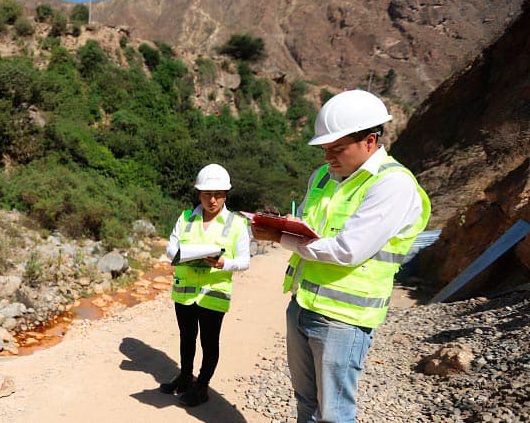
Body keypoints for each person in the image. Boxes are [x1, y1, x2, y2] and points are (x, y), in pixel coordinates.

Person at [251, 89, 430, 422]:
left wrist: (278, 235)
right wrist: (279, 225)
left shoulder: (392, 185)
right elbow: (305, 224)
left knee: (334, 413)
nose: (328, 157)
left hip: (344, 319)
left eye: (337, 149)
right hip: (302, 305)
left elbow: (348, 250)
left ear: (370, 141)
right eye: (324, 149)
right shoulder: (322, 177)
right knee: (306, 402)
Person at [159, 163, 251, 406]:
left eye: (219, 194)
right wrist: (177, 254)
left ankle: (202, 385)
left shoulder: (237, 224)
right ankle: (185, 377)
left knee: (209, 343)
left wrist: (223, 263)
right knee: (186, 337)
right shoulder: (185, 218)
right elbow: (171, 246)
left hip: (213, 293)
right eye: (208, 194)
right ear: (199, 193)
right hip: (185, 291)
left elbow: (244, 261)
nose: (213, 200)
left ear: (226, 195)